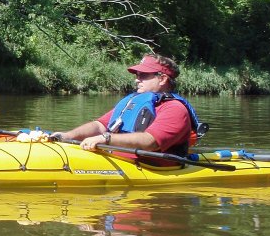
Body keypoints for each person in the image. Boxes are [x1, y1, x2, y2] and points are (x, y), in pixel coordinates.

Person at [50, 54, 203, 161]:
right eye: (137, 75)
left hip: (149, 168)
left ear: (162, 79)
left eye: (143, 75)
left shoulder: (175, 109)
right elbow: (100, 125)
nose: (137, 80)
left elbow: (150, 141)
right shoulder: (133, 101)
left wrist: (106, 139)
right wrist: (68, 136)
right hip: (117, 159)